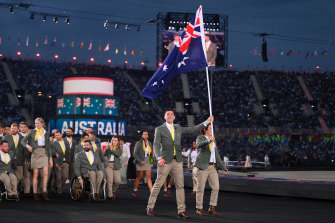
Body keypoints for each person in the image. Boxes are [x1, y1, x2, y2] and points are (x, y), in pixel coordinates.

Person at [146, 109, 214, 219]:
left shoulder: (178, 127)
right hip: (164, 161)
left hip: (177, 161)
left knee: (180, 186)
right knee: (158, 184)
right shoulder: (159, 129)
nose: (170, 115)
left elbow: (193, 129)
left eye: (172, 114)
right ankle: (150, 207)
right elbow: (156, 144)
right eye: (167, 114)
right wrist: (158, 158)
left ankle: (181, 211)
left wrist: (206, 122)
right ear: (165, 117)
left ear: (174, 117)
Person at [195, 124, 229, 216]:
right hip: (202, 167)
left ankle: (212, 207)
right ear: (206, 130)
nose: (212, 130)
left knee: (216, 187)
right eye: (210, 128)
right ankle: (199, 208)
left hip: (213, 167)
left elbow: (216, 155)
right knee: (200, 189)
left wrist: (223, 167)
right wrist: (209, 140)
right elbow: (199, 145)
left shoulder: (213, 141)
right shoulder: (200, 138)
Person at [21, 117, 53, 201]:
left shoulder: (46, 133)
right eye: (35, 123)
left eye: (38, 123)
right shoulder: (32, 132)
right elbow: (23, 141)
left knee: (46, 173)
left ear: (42, 124)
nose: (36, 125)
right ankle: (35, 193)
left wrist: (50, 158)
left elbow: (49, 146)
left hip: (44, 153)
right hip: (35, 153)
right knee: (35, 174)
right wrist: (28, 146)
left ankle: (44, 192)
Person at [4, 123, 26, 192]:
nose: (13, 130)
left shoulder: (23, 138)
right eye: (12, 128)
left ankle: (14, 189)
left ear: (18, 130)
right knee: (10, 176)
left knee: (19, 176)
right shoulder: (6, 137)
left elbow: (25, 150)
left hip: (19, 160)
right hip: (9, 160)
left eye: (14, 128)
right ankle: (12, 191)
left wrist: (26, 159)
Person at [132, 131, 153, 198]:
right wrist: (140, 160)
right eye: (144, 134)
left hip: (147, 161)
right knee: (139, 177)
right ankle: (135, 191)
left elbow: (150, 153)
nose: (145, 135)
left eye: (146, 134)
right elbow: (135, 153)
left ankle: (152, 192)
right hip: (140, 161)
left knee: (148, 177)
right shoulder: (138, 143)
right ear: (142, 136)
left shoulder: (150, 143)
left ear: (148, 136)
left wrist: (152, 161)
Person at [51, 131, 71, 197]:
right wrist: (56, 162)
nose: (57, 136)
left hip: (66, 162)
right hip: (58, 162)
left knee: (65, 177)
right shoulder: (53, 144)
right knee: (58, 177)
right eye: (56, 135)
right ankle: (59, 191)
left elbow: (68, 152)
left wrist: (69, 160)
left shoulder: (66, 142)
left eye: (58, 135)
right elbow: (53, 154)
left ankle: (58, 187)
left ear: (61, 135)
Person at [19, 122, 31, 197]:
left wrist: (28, 159)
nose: (23, 128)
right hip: (18, 159)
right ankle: (18, 188)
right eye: (22, 127)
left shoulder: (30, 136)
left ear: (27, 128)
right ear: (20, 128)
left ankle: (27, 191)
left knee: (27, 175)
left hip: (27, 159)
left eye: (24, 127)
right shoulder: (17, 136)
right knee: (19, 176)